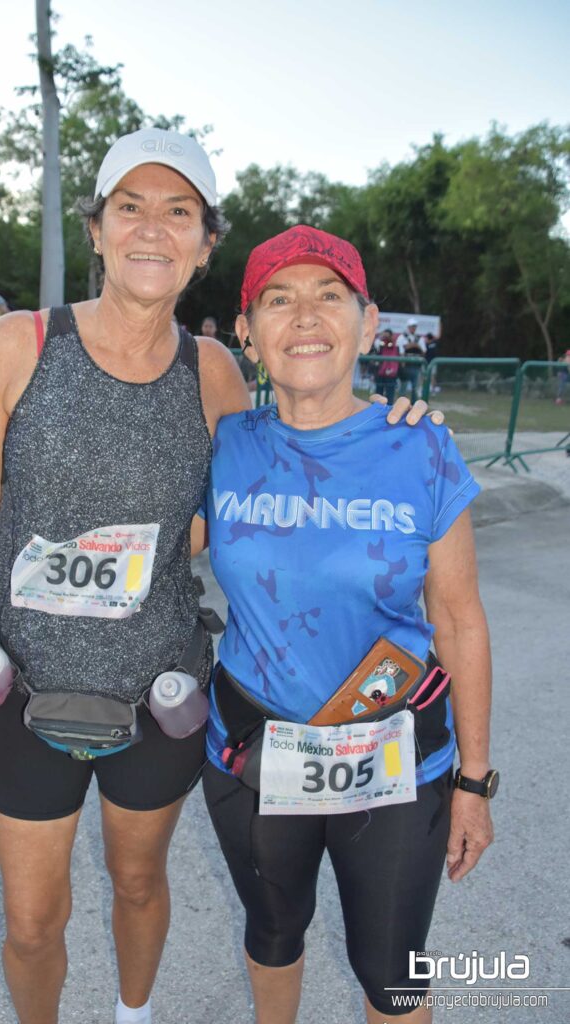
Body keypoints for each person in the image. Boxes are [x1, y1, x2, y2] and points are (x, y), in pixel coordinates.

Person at [0, 131, 439, 1024]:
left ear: (206, 246)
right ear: (95, 229)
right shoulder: (17, 346)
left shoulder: (212, 372)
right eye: (130, 206)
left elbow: (239, 507)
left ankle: (134, 1016)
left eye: (179, 213)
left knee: (137, 883)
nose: (152, 230)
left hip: (161, 691)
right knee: (28, 922)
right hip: (24, 683)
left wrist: (397, 427)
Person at [200, 225, 496, 1024]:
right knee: (271, 933)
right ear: (247, 334)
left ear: (368, 325)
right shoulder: (224, 444)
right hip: (252, 750)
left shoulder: (421, 447)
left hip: (395, 753)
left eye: (329, 296)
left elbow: (461, 623)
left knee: (391, 970)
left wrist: (473, 781)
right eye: (277, 300)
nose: (304, 317)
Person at [396, 317, 426, 403]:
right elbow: (401, 352)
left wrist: (415, 346)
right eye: (411, 326)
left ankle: (414, 405)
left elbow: (423, 352)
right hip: (405, 366)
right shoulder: (401, 337)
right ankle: (400, 404)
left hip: (416, 366)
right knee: (403, 387)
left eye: (414, 326)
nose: (413, 328)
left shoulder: (419, 338)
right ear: (408, 327)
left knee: (415, 388)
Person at [372, 327, 400, 402]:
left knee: (390, 394)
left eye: (387, 335)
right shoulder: (380, 343)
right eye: (385, 335)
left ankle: (389, 410)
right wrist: (382, 336)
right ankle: (377, 409)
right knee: (378, 394)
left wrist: (389, 338)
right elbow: (376, 345)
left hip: (391, 373)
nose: (386, 337)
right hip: (381, 372)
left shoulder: (395, 344)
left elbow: (392, 343)